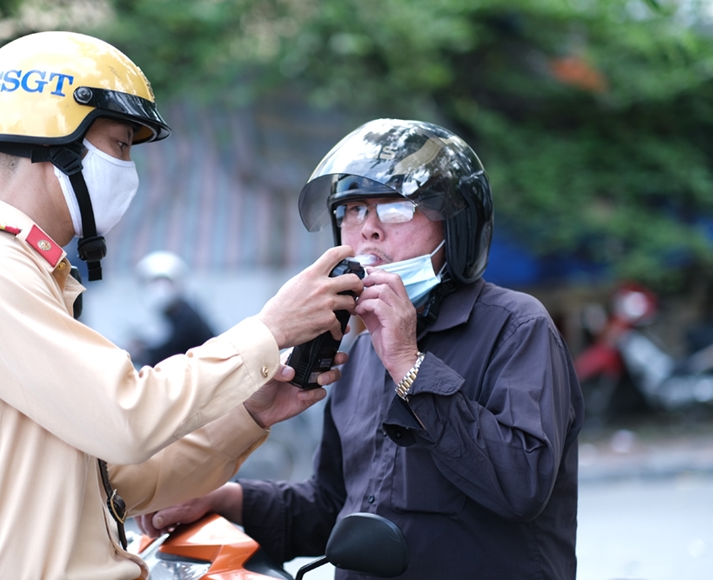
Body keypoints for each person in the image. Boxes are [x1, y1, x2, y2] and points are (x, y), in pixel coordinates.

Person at [0, 31, 363, 580]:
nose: (128, 168)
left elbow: (120, 478)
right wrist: (269, 330)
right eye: (119, 145)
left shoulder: (32, 274)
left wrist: (252, 412)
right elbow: (126, 417)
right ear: (54, 140)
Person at [139, 118, 585, 579]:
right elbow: (337, 506)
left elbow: (522, 485)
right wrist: (225, 498)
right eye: (352, 210)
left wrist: (409, 365)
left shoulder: (516, 326)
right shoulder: (360, 349)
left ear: (457, 226)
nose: (368, 230)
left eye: (396, 209)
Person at [131, 251, 216, 366]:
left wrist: (143, 353)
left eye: (163, 283)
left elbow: (171, 352)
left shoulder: (187, 317)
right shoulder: (173, 312)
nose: (159, 289)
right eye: (154, 283)